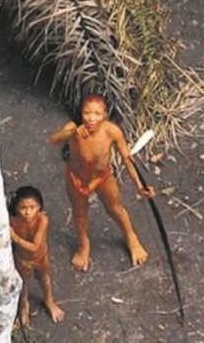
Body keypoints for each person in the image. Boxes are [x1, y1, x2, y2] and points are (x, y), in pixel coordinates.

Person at [49, 94, 154, 272]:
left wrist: (140, 186)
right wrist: (71, 132)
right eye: (87, 113)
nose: (91, 118)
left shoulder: (111, 131)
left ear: (105, 115)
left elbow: (128, 160)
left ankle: (131, 237)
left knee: (116, 209)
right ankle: (83, 244)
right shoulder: (74, 127)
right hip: (77, 178)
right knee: (80, 213)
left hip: (102, 177)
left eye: (97, 114)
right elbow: (53, 140)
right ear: (81, 114)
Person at [8, 185, 65, 326]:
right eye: (23, 208)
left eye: (32, 207)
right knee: (23, 283)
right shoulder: (13, 221)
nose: (28, 212)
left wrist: (15, 237)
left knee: (44, 279)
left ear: (39, 207)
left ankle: (49, 301)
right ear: (16, 208)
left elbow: (35, 246)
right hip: (21, 258)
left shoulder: (42, 220)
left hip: (40, 256)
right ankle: (23, 305)